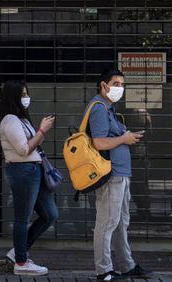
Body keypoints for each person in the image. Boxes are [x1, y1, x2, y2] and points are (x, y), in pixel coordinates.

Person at [87, 69, 153, 281]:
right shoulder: (98, 108)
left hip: (120, 173)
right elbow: (99, 142)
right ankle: (103, 270)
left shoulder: (109, 108)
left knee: (120, 222)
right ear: (103, 85)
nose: (119, 88)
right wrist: (124, 139)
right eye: (115, 83)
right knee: (107, 223)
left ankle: (126, 265)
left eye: (122, 84)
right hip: (110, 174)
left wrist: (127, 137)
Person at [0, 80, 58, 276]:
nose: (26, 98)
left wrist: (39, 131)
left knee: (50, 214)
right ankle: (21, 263)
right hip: (23, 171)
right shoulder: (10, 120)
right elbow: (23, 149)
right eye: (22, 94)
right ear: (13, 97)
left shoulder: (21, 119)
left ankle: (18, 252)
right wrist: (42, 130)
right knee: (22, 218)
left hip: (34, 171)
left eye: (26, 94)